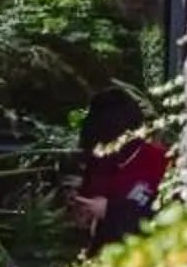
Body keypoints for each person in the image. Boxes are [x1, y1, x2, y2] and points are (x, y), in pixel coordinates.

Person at [69, 87, 169, 250]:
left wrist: (111, 210)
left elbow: (164, 216)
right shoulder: (98, 162)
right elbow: (88, 205)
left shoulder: (161, 161)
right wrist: (83, 213)